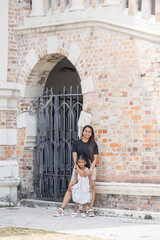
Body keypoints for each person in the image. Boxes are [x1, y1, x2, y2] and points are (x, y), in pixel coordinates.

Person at [53, 125, 98, 217]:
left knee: (91, 188)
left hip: (90, 169)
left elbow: (95, 158)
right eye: (86, 131)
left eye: (89, 132)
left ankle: (90, 209)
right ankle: (61, 209)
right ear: (83, 132)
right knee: (70, 188)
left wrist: (90, 170)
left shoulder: (93, 144)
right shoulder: (76, 143)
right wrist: (78, 169)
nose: (87, 133)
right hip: (78, 168)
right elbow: (74, 157)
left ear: (91, 133)